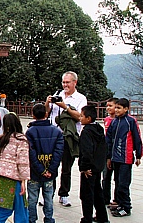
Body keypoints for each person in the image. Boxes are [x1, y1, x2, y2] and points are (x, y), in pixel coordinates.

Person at [45, 71, 87, 207]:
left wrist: (65, 107)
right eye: (63, 82)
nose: (65, 85)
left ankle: (64, 194)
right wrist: (47, 102)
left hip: (69, 137)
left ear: (75, 82)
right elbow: (46, 113)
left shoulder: (81, 98)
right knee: (51, 166)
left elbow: (80, 117)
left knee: (66, 168)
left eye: (68, 82)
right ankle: (48, 194)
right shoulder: (58, 95)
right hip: (53, 136)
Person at [25, 104, 64, 223]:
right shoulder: (57, 131)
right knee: (48, 198)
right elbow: (58, 153)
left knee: (32, 199)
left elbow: (31, 154)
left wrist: (40, 170)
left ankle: (31, 220)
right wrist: (50, 170)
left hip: (34, 172)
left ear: (33, 115)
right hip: (50, 173)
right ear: (46, 114)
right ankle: (49, 219)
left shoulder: (30, 132)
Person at [0, 113, 30, 223]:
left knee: (4, 210)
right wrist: (23, 180)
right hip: (14, 178)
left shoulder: (2, 139)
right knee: (21, 209)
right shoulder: (21, 139)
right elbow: (23, 162)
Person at [106, 98, 143, 217]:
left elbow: (137, 138)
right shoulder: (114, 122)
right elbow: (108, 140)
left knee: (123, 183)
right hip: (115, 158)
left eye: (119, 108)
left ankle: (126, 207)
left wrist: (138, 155)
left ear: (126, 109)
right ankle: (119, 204)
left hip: (126, 158)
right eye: (115, 107)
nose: (116, 110)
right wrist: (108, 157)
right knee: (117, 182)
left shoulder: (131, 121)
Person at [78, 105, 108, 223]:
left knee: (86, 195)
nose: (80, 118)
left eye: (81, 116)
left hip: (89, 169)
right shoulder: (99, 129)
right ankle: (102, 218)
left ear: (89, 118)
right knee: (97, 193)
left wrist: (84, 167)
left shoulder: (86, 132)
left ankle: (87, 219)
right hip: (97, 167)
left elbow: (87, 151)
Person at [103, 97, 118, 207]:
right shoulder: (106, 119)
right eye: (107, 105)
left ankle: (117, 199)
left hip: (117, 151)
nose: (108, 108)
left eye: (110, 106)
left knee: (118, 178)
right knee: (105, 177)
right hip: (106, 150)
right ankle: (105, 198)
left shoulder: (120, 120)